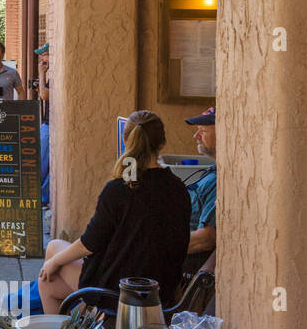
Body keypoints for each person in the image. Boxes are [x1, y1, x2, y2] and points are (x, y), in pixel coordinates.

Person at [36, 110, 191, 314]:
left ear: (126, 141)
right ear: (162, 143)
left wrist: (54, 262)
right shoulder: (179, 188)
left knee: (52, 258)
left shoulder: (119, 189)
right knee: (49, 279)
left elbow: (89, 243)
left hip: (118, 293)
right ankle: (81, 321)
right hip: (161, 291)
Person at [184, 106, 217, 261]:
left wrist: (159, 245)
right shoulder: (212, 171)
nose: (196, 135)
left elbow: (206, 239)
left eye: (203, 131)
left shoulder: (221, 180)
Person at [35, 43, 51, 206]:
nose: (42, 58)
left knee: (41, 163)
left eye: (44, 54)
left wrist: (41, 74)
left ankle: (40, 197)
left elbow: (44, 95)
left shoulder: (56, 75)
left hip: (50, 126)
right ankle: (40, 196)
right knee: (42, 162)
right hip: (47, 124)